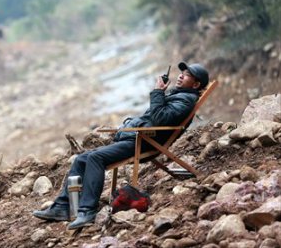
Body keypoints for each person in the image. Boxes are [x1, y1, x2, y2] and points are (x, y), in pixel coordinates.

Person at [33, 62, 210, 229]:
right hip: (137, 138)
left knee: (95, 158)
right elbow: (157, 116)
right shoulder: (178, 95)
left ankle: (87, 211)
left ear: (195, 85)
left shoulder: (186, 100)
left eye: (187, 75)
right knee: (81, 159)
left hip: (144, 142)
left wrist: (157, 92)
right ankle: (62, 207)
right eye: (182, 73)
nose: (180, 76)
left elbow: (160, 119)